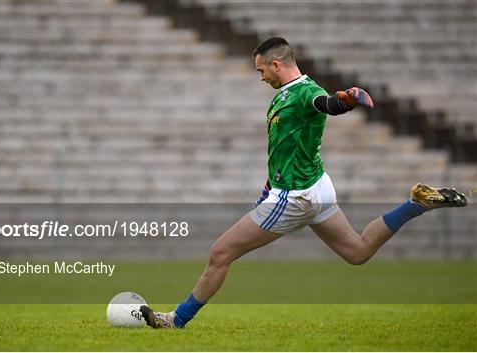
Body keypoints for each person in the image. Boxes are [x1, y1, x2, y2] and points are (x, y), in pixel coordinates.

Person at [140, 37, 467, 329]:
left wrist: (347, 100)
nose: (261, 77)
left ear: (276, 64)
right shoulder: (285, 95)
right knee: (358, 252)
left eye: (261, 70)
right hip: (314, 187)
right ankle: (417, 204)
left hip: (295, 197)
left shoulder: (304, 91)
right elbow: (285, 147)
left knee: (220, 253)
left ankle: (176, 320)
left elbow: (328, 104)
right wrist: (269, 187)